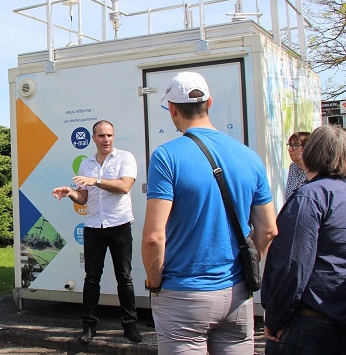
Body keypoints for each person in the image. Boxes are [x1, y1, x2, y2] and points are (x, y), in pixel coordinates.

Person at [142, 71, 277, 354]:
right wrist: (246, 264)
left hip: (183, 294)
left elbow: (154, 237)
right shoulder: (249, 156)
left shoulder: (166, 156)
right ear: (210, 103)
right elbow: (268, 229)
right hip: (237, 293)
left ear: (172, 109)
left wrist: (154, 284)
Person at [51, 120, 142, 344]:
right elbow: (84, 198)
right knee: (91, 279)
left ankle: (130, 326)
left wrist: (96, 180)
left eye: (110, 135)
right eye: (101, 136)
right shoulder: (86, 164)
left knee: (125, 278)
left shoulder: (125, 158)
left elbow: (124, 186)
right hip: (93, 228)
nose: (106, 140)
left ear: (114, 136)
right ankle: (89, 327)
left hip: (119, 225)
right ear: (93, 139)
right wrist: (71, 192)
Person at [262, 125, 346, 354]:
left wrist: (275, 318)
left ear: (310, 153)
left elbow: (293, 263)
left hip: (310, 323)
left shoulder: (311, 196)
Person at [284, 131, 311, 200]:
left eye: (295, 145)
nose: (290, 149)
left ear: (306, 148)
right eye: (289, 145)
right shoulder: (293, 167)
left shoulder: (312, 169)